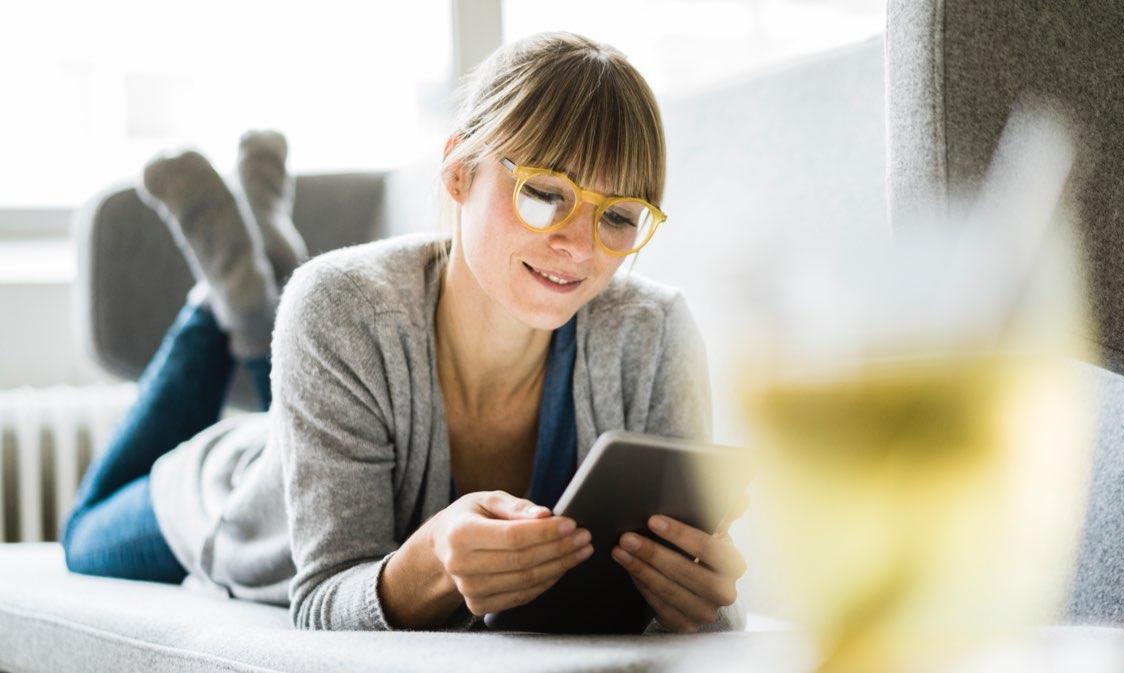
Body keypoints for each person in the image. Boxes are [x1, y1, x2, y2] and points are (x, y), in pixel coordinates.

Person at [61, 31, 747, 634]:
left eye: (619, 216)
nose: (580, 245)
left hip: (336, 400)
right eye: (544, 194)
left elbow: (698, 594)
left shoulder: (656, 331)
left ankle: (253, 285)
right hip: (237, 489)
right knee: (83, 536)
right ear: (458, 172)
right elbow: (320, 598)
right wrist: (428, 565)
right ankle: (222, 306)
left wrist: (701, 600)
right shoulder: (339, 306)